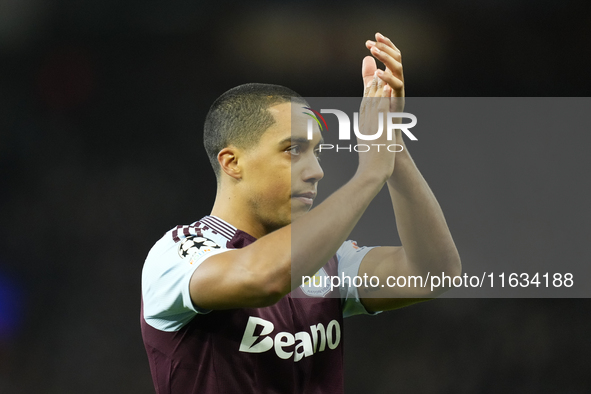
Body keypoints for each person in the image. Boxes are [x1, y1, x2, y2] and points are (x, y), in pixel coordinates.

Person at [141, 32, 461, 394]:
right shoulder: (178, 254)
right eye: (293, 150)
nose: (316, 170)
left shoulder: (328, 258)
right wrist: (370, 172)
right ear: (232, 162)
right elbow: (263, 278)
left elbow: (433, 274)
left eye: (317, 152)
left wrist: (392, 146)